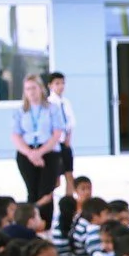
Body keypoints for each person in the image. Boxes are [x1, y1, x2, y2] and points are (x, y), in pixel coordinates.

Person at [11, 75, 66, 218]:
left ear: (41, 88)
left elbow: (57, 133)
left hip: (48, 151)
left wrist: (40, 152)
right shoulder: (20, 111)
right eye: (28, 89)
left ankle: (45, 225)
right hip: (26, 152)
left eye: (34, 88)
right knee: (32, 191)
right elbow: (16, 135)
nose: (31, 92)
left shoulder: (52, 108)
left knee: (46, 191)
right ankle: (30, 223)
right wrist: (31, 154)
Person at [44, 71, 78, 199]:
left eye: (62, 83)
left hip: (65, 143)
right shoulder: (48, 103)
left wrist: (69, 138)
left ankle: (69, 202)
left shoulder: (66, 102)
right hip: (54, 145)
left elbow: (71, 122)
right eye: (57, 83)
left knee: (69, 174)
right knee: (55, 179)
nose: (61, 86)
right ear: (50, 86)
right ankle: (48, 199)